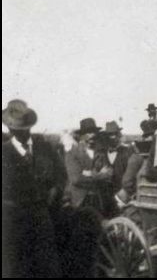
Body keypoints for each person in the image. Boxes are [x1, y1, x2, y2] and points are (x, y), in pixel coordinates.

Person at [2, 100, 100, 277]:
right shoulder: (4, 153)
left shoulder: (44, 148)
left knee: (48, 268)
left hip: (44, 218)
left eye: (25, 128)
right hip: (13, 225)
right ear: (10, 130)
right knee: (16, 269)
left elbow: (61, 175)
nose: (22, 132)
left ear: (29, 126)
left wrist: (55, 190)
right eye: (17, 129)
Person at [65, 118, 114, 215]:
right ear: (81, 136)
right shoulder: (72, 154)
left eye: (93, 132)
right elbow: (76, 179)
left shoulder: (101, 153)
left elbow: (109, 174)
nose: (92, 135)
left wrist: (88, 174)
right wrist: (99, 175)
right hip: (79, 201)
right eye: (87, 132)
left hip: (98, 200)